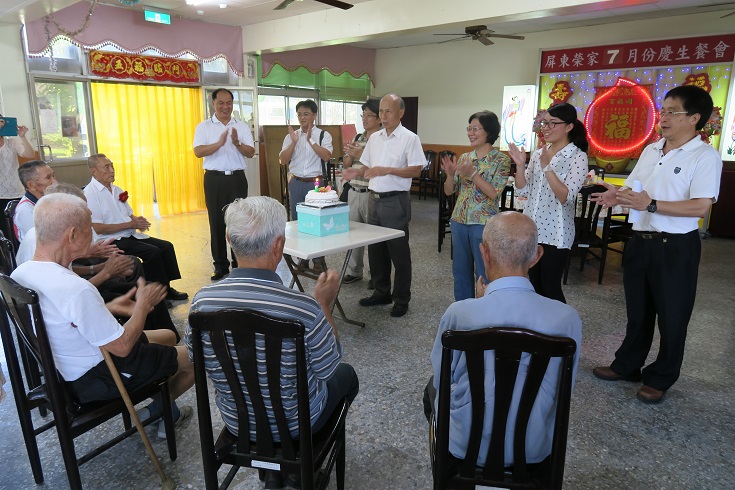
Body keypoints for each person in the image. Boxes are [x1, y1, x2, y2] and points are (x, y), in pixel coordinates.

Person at [185, 196, 359, 488]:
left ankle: (275, 472)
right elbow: (327, 368)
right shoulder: (303, 308)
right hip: (295, 424)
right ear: (279, 246)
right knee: (347, 375)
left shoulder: (201, 303)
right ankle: (298, 469)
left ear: (229, 239)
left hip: (237, 422)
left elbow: (196, 359)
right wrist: (324, 306)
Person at [11, 193, 194, 439]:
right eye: (89, 228)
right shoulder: (75, 288)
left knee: (168, 336)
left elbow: (59, 322)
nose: (94, 234)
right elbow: (122, 347)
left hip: (67, 367)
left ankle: (163, 402)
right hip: (97, 376)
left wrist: (111, 308)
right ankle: (158, 410)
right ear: (73, 235)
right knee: (199, 357)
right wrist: (142, 305)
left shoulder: (23, 273)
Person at [591, 85, 722, 404]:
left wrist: (651, 205)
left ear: (694, 118)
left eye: (672, 112)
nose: (663, 117)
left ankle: (661, 377)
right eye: (662, 111)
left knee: (672, 315)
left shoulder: (705, 156)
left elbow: (700, 207)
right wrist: (617, 195)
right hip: (641, 241)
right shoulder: (651, 150)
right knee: (638, 311)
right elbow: (637, 188)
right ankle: (628, 365)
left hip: (675, 246)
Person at [424, 211, 582, 468]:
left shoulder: (461, 313)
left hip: (465, 446)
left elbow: (444, 376)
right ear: (537, 256)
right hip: (534, 448)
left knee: (431, 389)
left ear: (484, 253)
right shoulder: (567, 318)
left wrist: (481, 303)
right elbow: (565, 390)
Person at [342, 93, 425, 318]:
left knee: (398, 252)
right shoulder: (375, 138)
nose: (384, 116)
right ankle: (381, 291)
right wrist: (355, 172)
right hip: (373, 198)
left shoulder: (410, 138)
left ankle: (401, 298)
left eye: (389, 111)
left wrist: (387, 169)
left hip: (395, 200)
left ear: (401, 113)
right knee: (376, 250)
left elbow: (416, 169)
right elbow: (367, 166)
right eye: (381, 111)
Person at [508, 103, 589, 303]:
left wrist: (547, 168)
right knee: (533, 286)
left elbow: (566, 197)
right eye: (545, 123)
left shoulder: (577, 157)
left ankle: (559, 331)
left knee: (550, 287)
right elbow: (522, 189)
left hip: (556, 233)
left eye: (553, 124)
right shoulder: (538, 154)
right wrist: (520, 165)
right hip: (531, 230)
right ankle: (537, 331)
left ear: (569, 127)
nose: (546, 128)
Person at [84, 154, 188, 302]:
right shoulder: (90, 193)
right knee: (153, 252)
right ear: (93, 171)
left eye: (112, 166)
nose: (112, 170)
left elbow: (128, 213)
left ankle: (165, 288)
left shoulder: (117, 190)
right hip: (112, 239)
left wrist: (137, 221)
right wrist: (130, 224)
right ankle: (155, 295)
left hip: (129, 233)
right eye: (106, 167)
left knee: (166, 246)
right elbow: (99, 228)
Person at [441, 111, 511, 301]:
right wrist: (449, 174)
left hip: (484, 224)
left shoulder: (501, 160)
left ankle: (484, 311)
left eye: (475, 129)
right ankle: (463, 309)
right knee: (460, 272)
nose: (470, 132)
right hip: (459, 221)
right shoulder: (464, 157)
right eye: (469, 128)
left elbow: (494, 192)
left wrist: (473, 173)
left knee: (484, 273)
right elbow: (449, 191)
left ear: (488, 131)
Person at [193, 88, 255, 281]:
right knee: (217, 223)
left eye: (229, 102)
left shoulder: (242, 126)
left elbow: (250, 152)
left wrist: (236, 143)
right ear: (213, 103)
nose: (225, 106)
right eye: (221, 102)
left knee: (238, 223)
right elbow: (198, 151)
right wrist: (218, 144)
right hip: (214, 179)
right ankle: (220, 266)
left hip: (237, 179)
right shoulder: (203, 127)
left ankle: (239, 263)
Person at [340, 97, 381, 285]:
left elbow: (379, 166)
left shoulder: (382, 139)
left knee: (373, 237)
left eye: (369, 116)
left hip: (370, 192)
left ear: (379, 118)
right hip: (354, 190)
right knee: (354, 233)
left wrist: (360, 154)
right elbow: (347, 164)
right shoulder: (359, 138)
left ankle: (376, 275)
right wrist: (348, 152)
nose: (364, 119)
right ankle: (355, 270)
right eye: (362, 115)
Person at [279, 99, 333, 220]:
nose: (302, 117)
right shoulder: (291, 136)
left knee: (316, 219)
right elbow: (283, 160)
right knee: (297, 220)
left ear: (314, 115)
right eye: (299, 114)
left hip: (316, 184)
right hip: (295, 182)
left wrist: (310, 140)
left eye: (306, 114)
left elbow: (326, 156)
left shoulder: (323, 135)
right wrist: (293, 143)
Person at [0, 115, 35, 241]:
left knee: (20, 230)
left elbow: (30, 154)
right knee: (4, 233)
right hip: (1, 195)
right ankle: (8, 260)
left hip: (17, 192)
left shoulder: (11, 142)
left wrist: (23, 136)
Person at [13, 160, 56, 242]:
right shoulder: (25, 210)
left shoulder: (47, 200)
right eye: (48, 178)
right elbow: (43, 242)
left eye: (54, 176)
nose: (55, 182)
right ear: (31, 185)